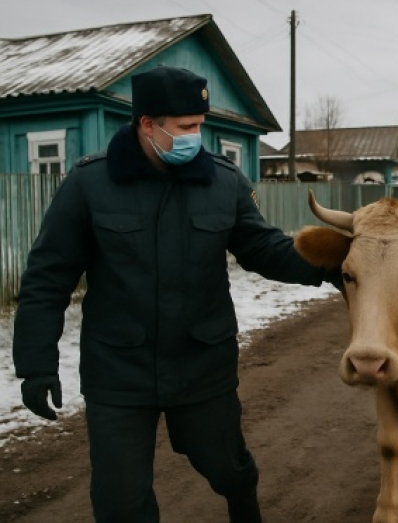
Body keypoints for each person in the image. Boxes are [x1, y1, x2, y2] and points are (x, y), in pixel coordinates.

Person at [12, 66, 336, 523]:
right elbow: (47, 278)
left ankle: (244, 502)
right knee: (119, 502)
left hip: (202, 363)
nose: (195, 137)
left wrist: (332, 264)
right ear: (148, 124)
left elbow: (263, 248)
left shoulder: (224, 183)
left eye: (199, 126)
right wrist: (36, 364)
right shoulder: (89, 185)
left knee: (226, 467)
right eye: (185, 127)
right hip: (118, 371)